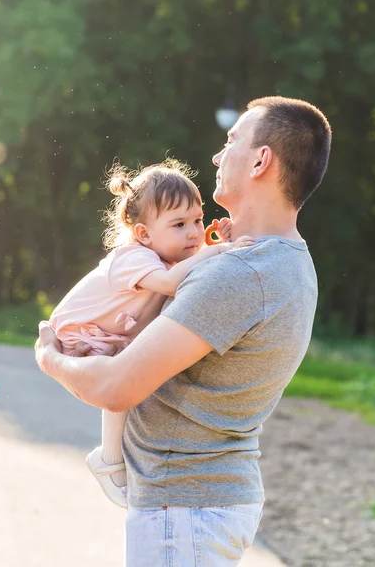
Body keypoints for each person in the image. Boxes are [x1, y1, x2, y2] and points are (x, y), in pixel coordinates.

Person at [35, 96, 332, 567]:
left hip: (186, 508)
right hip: (200, 502)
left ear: (261, 160)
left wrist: (50, 357)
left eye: (231, 140)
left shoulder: (240, 273)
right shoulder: (287, 260)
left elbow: (115, 387)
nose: (217, 155)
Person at [48, 158, 253, 508]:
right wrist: (220, 250)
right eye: (179, 224)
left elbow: (193, 266)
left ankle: (116, 455)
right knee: (125, 378)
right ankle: (109, 458)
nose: (193, 232)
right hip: (79, 333)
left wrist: (220, 240)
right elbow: (174, 283)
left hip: (108, 333)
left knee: (137, 374)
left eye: (198, 220)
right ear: (144, 234)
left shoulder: (166, 254)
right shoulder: (131, 257)